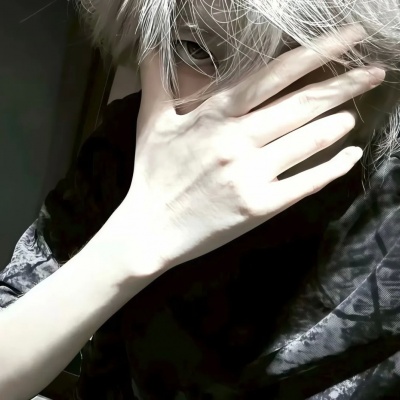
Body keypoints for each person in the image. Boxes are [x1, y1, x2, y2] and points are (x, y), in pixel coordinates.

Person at [1, 0, 399, 399]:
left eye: (296, 59)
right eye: (196, 49)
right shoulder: (129, 146)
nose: (231, 103)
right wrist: (136, 238)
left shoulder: (388, 209)